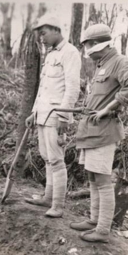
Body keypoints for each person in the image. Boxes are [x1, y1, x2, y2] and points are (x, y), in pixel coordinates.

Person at [70, 24, 128, 243]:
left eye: (89, 48)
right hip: (90, 130)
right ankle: (94, 219)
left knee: (103, 181)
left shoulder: (120, 62)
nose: (89, 53)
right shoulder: (101, 64)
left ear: (98, 45)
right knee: (93, 177)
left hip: (105, 130)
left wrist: (106, 109)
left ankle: (103, 230)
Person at [25, 15, 81, 218]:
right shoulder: (49, 55)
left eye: (44, 33)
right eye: (39, 34)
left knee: (56, 160)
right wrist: (34, 112)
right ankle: (48, 198)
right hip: (43, 114)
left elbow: (72, 88)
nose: (41, 38)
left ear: (57, 29)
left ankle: (58, 205)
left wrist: (64, 118)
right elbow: (43, 89)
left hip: (56, 116)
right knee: (47, 158)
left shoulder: (70, 53)